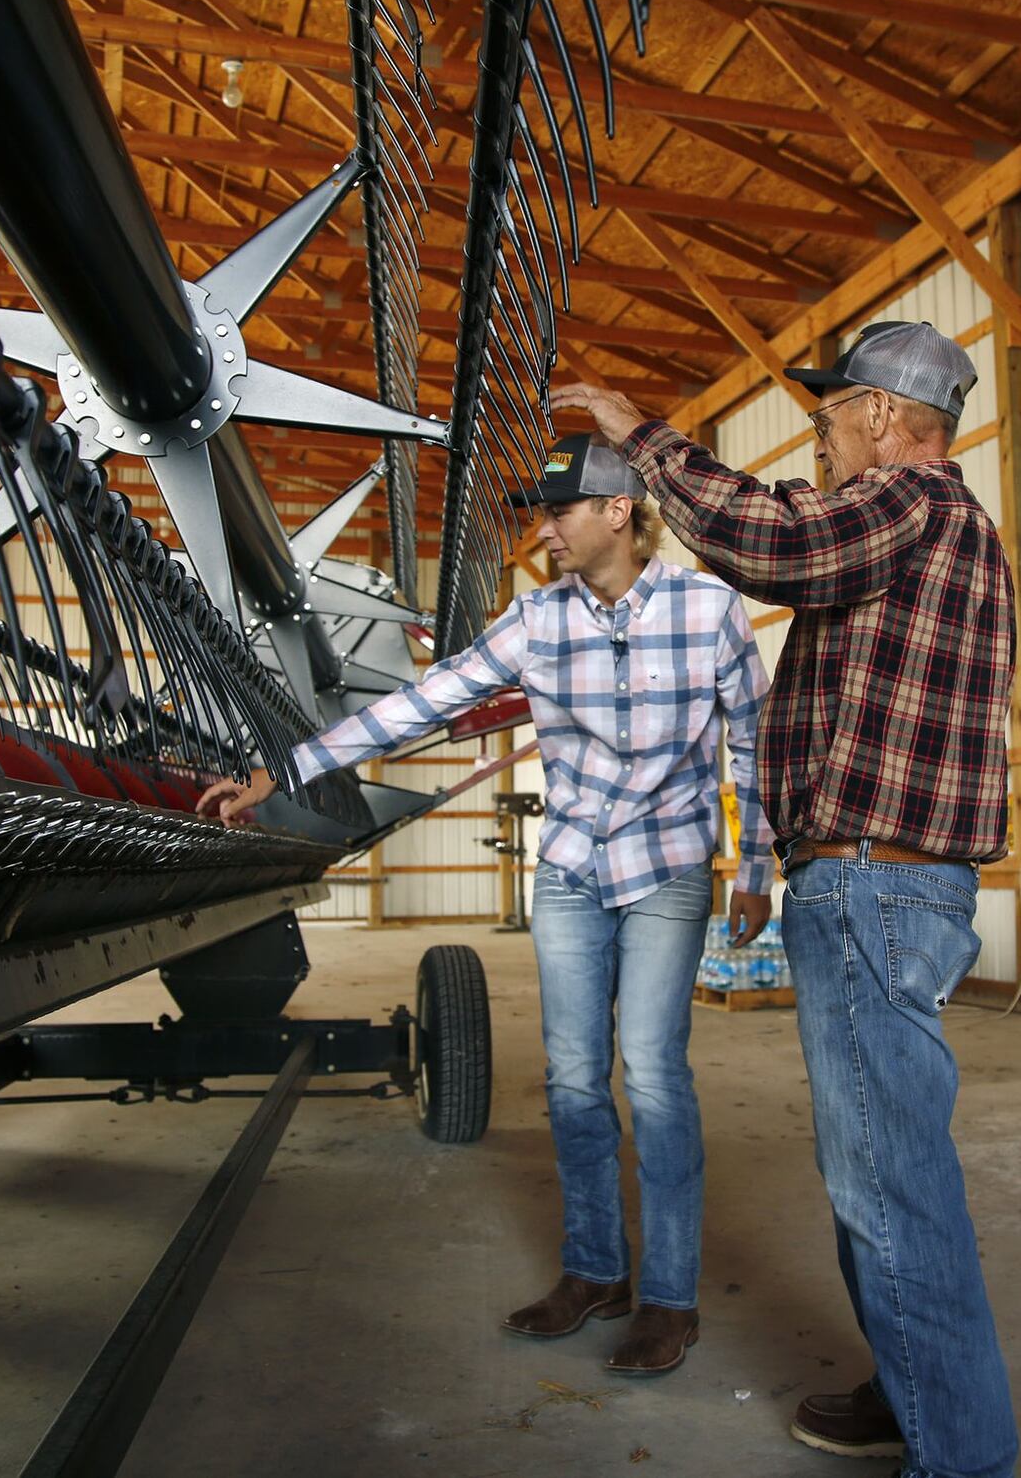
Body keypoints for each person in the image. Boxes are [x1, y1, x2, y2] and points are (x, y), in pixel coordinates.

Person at [197, 435, 774, 1376]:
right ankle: (595, 1272)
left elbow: (751, 739)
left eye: (561, 512)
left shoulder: (708, 609)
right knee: (575, 1079)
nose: (544, 530)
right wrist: (288, 769)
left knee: (655, 1076)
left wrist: (759, 868)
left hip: (668, 869)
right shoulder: (534, 620)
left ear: (619, 513)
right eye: (541, 514)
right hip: (573, 872)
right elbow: (422, 704)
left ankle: (671, 1297)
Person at [552, 320, 1018, 1478]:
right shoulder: (929, 529)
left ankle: (959, 1454)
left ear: (878, 416)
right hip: (869, 880)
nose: (817, 443)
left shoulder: (911, 499)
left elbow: (771, 540)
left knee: (888, 1185)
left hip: (875, 882)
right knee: (872, 1171)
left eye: (825, 420)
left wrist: (636, 434)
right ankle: (916, 1390)